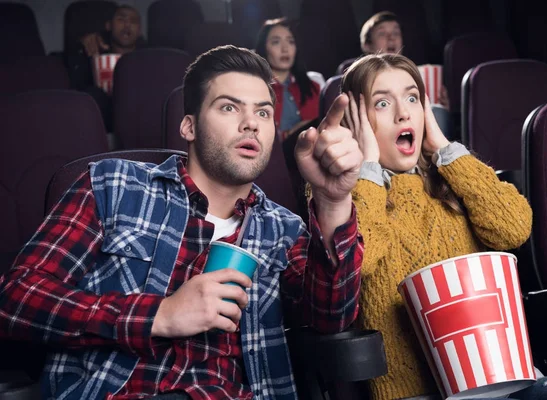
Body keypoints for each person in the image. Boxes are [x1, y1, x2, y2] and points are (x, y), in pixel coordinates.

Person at [0, 45, 364, 400]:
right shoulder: (111, 185)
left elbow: (330, 319)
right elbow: (15, 300)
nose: (251, 123)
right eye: (228, 107)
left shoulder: (284, 229)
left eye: (264, 113)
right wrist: (159, 315)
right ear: (188, 126)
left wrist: (332, 201)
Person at [341, 53, 547, 400]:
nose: (404, 113)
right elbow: (359, 258)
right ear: (357, 121)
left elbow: (513, 228)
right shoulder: (343, 193)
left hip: (507, 380)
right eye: (383, 102)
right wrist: (367, 167)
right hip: (418, 392)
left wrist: (444, 149)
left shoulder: (451, 174)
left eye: (413, 98)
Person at [65, 4, 144, 131]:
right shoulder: (91, 54)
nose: (127, 25)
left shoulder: (148, 59)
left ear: (140, 31)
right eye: (121, 19)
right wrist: (81, 44)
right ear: (108, 26)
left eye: (133, 21)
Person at [255, 18, 320, 141]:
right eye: (276, 42)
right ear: (264, 48)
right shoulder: (255, 89)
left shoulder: (314, 87)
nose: (285, 49)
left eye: (291, 42)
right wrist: (289, 134)